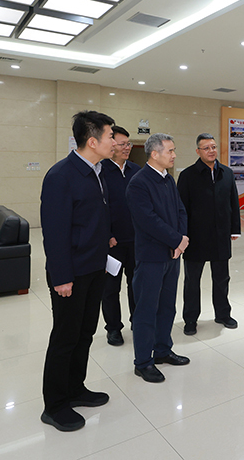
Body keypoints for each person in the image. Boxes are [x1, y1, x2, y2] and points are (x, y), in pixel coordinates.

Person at [40, 110, 116, 432]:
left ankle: (75, 388)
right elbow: (54, 232)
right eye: (110, 136)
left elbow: (91, 215)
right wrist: (62, 278)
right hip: (71, 273)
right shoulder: (61, 176)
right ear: (92, 141)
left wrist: (105, 237)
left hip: (95, 267)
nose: (115, 142)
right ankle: (55, 405)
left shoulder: (98, 171)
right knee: (65, 337)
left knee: (85, 333)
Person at [126, 133, 190, 383]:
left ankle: (163, 350)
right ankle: (143, 362)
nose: (174, 155)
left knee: (167, 306)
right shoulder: (139, 183)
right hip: (151, 256)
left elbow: (181, 211)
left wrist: (181, 240)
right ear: (154, 154)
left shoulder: (168, 180)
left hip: (173, 255)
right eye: (170, 151)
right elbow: (148, 220)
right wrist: (176, 240)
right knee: (146, 309)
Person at [177, 133, 241, 335]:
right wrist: (181, 236)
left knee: (222, 279)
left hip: (221, 236)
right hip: (195, 238)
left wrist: (235, 229)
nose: (211, 151)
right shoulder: (188, 175)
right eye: (206, 148)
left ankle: (223, 314)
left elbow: (233, 203)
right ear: (198, 151)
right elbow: (181, 209)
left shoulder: (227, 173)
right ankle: (190, 319)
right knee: (192, 282)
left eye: (213, 147)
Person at [100, 125, 140, 346]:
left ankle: (138, 321)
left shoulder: (136, 170)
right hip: (112, 243)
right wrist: (107, 234)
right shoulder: (100, 171)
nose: (127, 148)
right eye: (122, 144)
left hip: (136, 240)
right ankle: (113, 328)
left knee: (136, 284)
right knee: (110, 289)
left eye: (129, 144)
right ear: (112, 145)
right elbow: (97, 208)